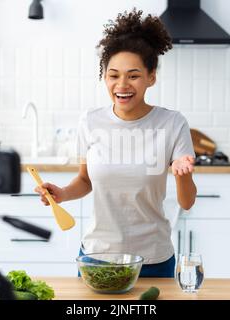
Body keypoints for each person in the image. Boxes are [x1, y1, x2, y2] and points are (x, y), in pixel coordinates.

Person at [35, 8, 197, 278]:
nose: (122, 84)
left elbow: (187, 201)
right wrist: (62, 194)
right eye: (113, 75)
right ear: (105, 77)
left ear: (151, 77)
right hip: (98, 257)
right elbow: (85, 181)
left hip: (153, 259)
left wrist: (182, 173)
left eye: (133, 75)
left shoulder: (172, 123)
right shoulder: (90, 121)